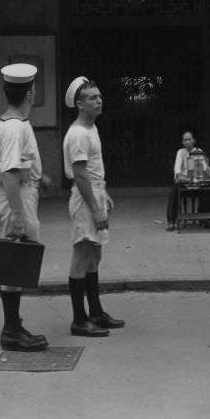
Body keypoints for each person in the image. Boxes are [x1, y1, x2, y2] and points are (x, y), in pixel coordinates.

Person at [0, 63, 51, 352]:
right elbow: (10, 173)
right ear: (29, 93)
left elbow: (17, 166)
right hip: (16, 198)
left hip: (19, 193)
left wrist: (40, 176)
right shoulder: (15, 128)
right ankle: (12, 331)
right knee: (14, 264)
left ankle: (13, 326)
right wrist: (17, 215)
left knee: (16, 263)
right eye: (33, 88)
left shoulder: (9, 122)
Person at [63, 76, 125, 337]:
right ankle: (79, 320)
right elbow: (80, 175)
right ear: (80, 104)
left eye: (99, 96)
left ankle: (96, 312)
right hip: (85, 199)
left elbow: (92, 169)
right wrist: (96, 209)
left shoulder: (91, 128)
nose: (99, 100)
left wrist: (103, 193)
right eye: (92, 97)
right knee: (82, 255)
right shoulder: (78, 133)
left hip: (95, 192)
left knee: (93, 256)